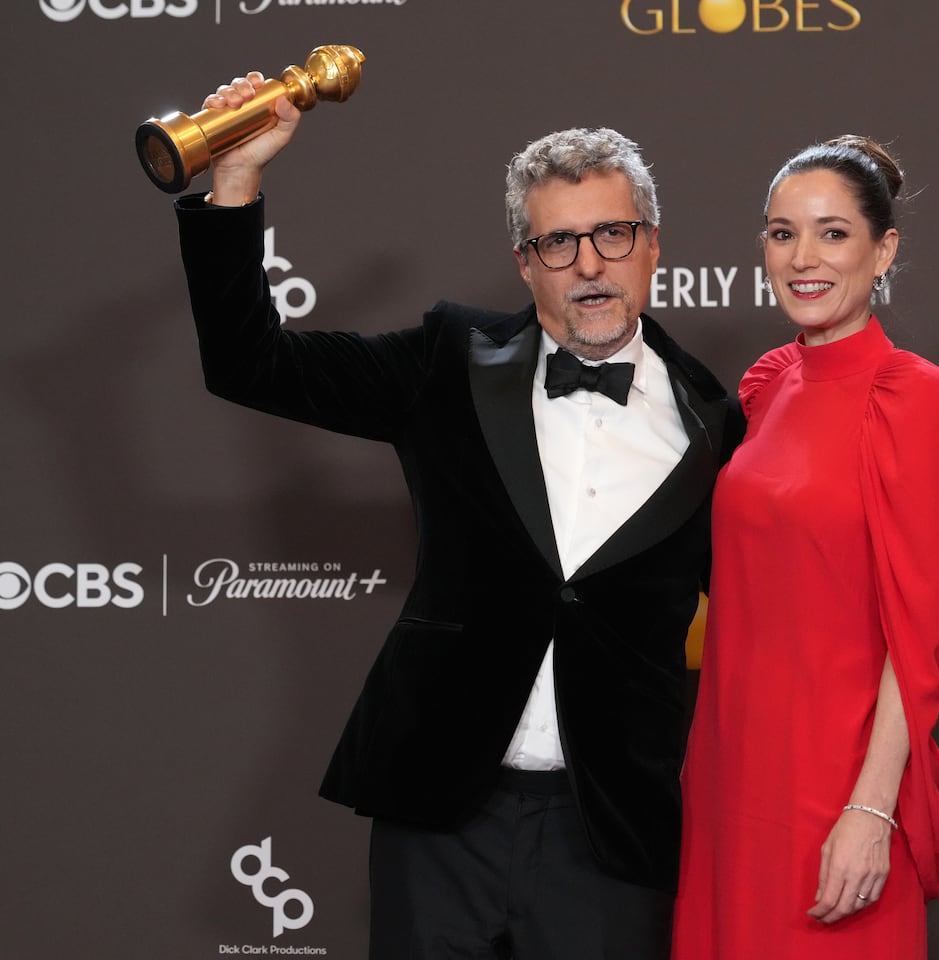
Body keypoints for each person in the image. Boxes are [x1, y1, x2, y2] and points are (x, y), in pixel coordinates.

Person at [171, 73, 743, 960]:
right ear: (524, 261)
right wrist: (237, 179)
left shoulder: (720, 423)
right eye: (558, 243)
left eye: (612, 234)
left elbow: (773, 626)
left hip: (612, 832)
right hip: (441, 814)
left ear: (653, 245)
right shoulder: (451, 362)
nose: (589, 264)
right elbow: (250, 363)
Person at [670, 136, 939, 959]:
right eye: (782, 233)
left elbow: (918, 643)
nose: (803, 258)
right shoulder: (769, 383)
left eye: (833, 233)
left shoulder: (915, 400)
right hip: (729, 770)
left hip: (835, 783)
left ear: (884, 250)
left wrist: (871, 811)